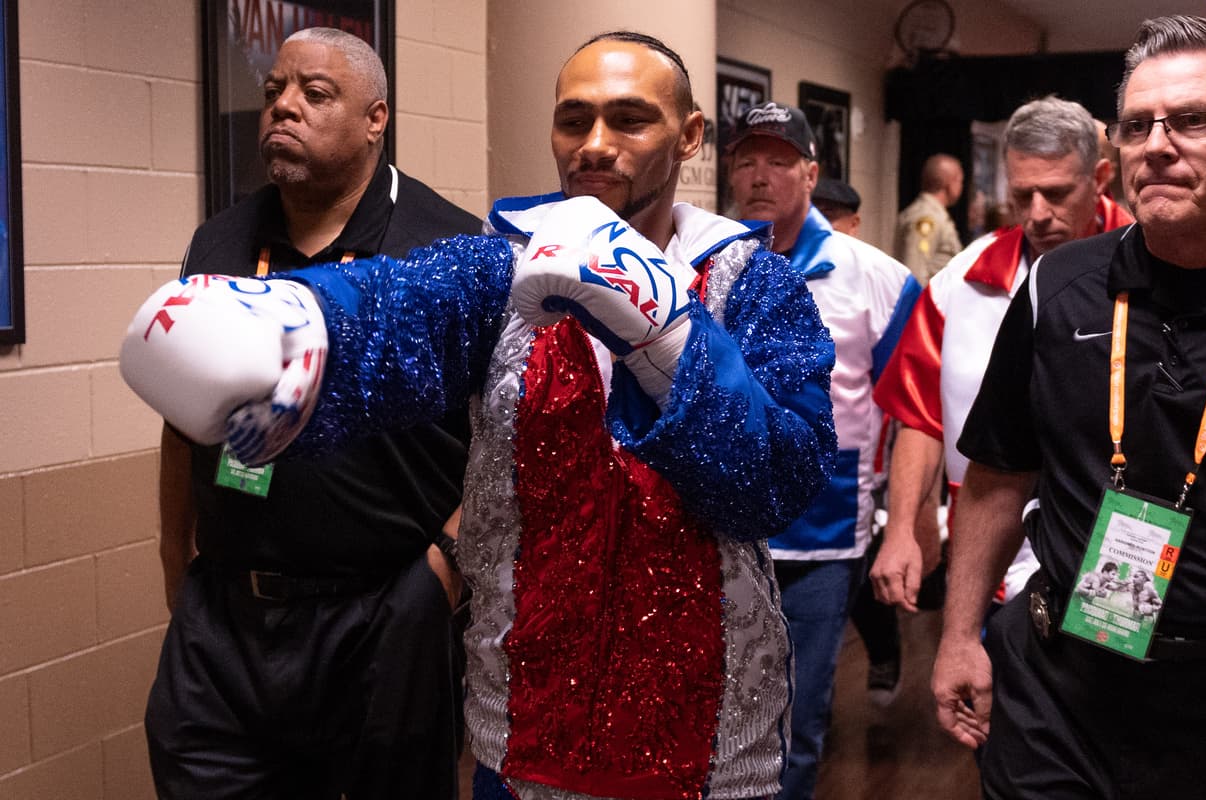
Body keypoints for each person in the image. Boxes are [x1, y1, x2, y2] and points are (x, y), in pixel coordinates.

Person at [122, 30, 837, 800]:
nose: (595, 145)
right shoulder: (501, 266)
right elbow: (397, 310)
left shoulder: (752, 285)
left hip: (704, 738)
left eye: (629, 120)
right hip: (524, 726)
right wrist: (293, 323)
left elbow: (780, 481)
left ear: (689, 135)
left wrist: (666, 335)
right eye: (574, 120)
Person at [932, 16, 1206, 797]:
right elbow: (997, 470)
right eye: (1135, 125)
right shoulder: (1059, 287)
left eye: (1192, 120)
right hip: (1061, 689)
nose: (1156, 145)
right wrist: (958, 636)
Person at [143, 27, 481, 800]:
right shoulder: (222, 240)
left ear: (376, 118)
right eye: (273, 92)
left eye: (314, 94)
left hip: (383, 618)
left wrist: (441, 575)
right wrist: (178, 570)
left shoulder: (447, 249)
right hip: (225, 619)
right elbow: (179, 417)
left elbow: (506, 443)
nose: (283, 107)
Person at [871, 96, 1133, 618]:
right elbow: (921, 418)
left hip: (1113, 558)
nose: (1038, 214)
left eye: (1056, 194)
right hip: (988, 558)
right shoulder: (960, 280)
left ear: (1100, 176)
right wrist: (901, 528)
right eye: (1022, 194)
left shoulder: (1147, 265)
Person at [726, 102, 919, 800]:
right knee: (712, 718)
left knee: (794, 724)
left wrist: (907, 521)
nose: (759, 176)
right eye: (747, 159)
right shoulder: (708, 261)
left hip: (820, 536)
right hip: (717, 527)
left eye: (779, 161)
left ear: (811, 173)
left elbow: (914, 409)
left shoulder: (874, 276)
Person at [893, 153, 964, 284]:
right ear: (948, 183)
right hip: (928, 302)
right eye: (960, 180)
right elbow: (915, 273)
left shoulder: (933, 214)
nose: (961, 186)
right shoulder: (927, 218)